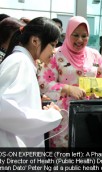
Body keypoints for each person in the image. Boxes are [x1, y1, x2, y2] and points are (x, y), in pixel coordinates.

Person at [37, 16, 102, 147]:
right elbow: (43, 84)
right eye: (75, 35)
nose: (80, 40)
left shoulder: (94, 55)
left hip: (89, 113)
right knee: (63, 158)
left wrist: (97, 93)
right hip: (63, 115)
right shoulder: (56, 54)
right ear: (68, 34)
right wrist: (68, 89)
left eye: (84, 36)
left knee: (87, 153)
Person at [0, 17, 62, 147]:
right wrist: (50, 115)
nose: (54, 50)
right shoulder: (19, 62)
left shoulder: (21, 61)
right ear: (35, 41)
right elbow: (4, 110)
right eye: (53, 44)